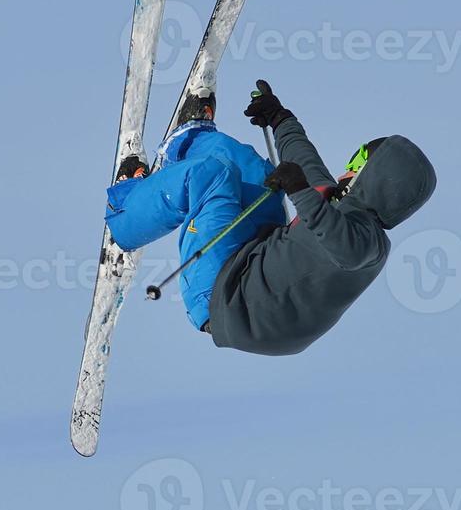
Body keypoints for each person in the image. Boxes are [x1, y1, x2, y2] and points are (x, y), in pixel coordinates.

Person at [105, 80, 437, 356]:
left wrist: (301, 191)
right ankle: (186, 143)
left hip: (224, 299)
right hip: (250, 259)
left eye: (361, 158)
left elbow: (340, 243)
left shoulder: (369, 244)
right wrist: (279, 117)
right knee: (259, 173)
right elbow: (304, 164)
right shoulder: (337, 203)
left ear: (377, 176)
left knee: (210, 177)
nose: (351, 164)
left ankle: (124, 214)